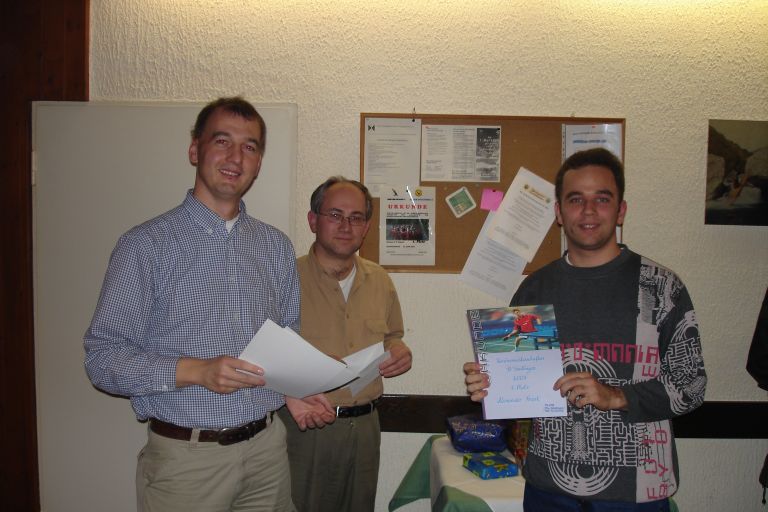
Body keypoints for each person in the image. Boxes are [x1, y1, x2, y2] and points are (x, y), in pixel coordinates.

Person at [84, 97, 334, 512]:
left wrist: (291, 390)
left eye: (250, 146)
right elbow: (102, 359)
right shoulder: (145, 246)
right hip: (187, 463)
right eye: (222, 141)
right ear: (194, 150)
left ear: (259, 163)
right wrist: (196, 371)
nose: (236, 157)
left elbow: (285, 338)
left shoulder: (275, 246)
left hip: (268, 452)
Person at [464, 148, 706, 511]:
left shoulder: (661, 287)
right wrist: (491, 385)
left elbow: (692, 385)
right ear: (559, 213)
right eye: (576, 199)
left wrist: (617, 396)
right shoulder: (534, 290)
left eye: (602, 199)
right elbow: (521, 395)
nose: (589, 210)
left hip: (635, 494)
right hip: (548, 489)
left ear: (621, 210)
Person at [278, 176, 413, 512]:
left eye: (356, 218)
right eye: (335, 215)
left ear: (365, 227)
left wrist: (400, 351)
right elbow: (263, 354)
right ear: (313, 220)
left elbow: (392, 337)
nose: (345, 226)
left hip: (365, 427)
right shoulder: (284, 278)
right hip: (305, 429)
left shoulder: (380, 280)